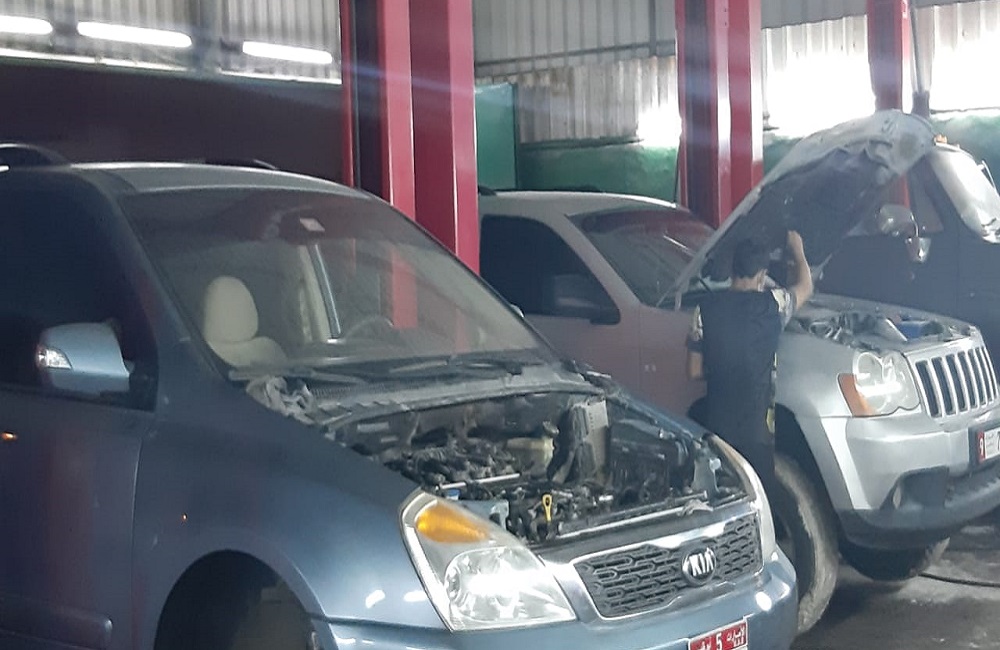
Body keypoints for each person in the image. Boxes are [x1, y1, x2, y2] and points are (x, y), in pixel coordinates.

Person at [686, 231, 813, 496]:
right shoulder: (774, 304)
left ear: (733, 271)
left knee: (722, 499)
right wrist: (798, 251)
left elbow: (694, 371)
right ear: (761, 276)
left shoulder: (703, 310)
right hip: (757, 433)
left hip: (718, 431)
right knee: (758, 499)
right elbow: (805, 287)